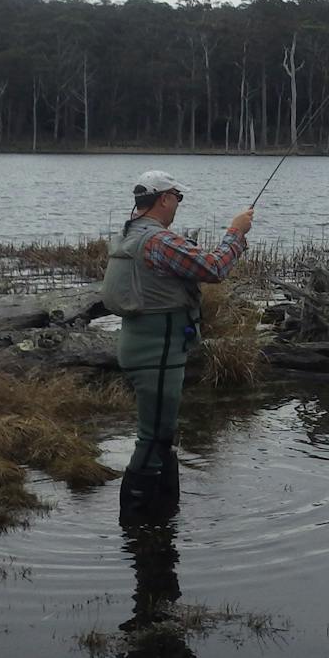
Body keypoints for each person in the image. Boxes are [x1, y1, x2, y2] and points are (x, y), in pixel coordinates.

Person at [102, 170, 253, 520]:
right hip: (156, 352)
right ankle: (137, 521)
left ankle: (164, 512)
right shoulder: (159, 241)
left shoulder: (130, 232)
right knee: (153, 437)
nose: (178, 205)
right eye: (177, 198)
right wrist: (237, 232)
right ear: (164, 198)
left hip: (147, 348)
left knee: (160, 434)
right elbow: (214, 268)